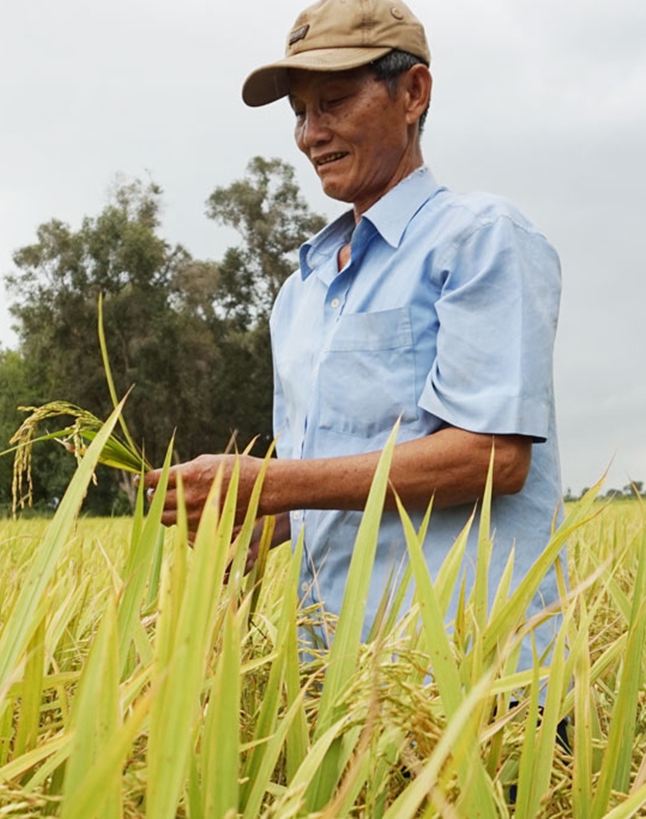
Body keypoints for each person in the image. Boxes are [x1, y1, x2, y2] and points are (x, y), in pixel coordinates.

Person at [141, 0, 564, 672]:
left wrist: (271, 483)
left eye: (334, 100)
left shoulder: (479, 238)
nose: (312, 133)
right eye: (301, 112)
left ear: (413, 94)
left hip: (475, 687)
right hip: (337, 689)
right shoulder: (299, 293)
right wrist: (260, 526)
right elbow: (335, 478)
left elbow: (493, 457)